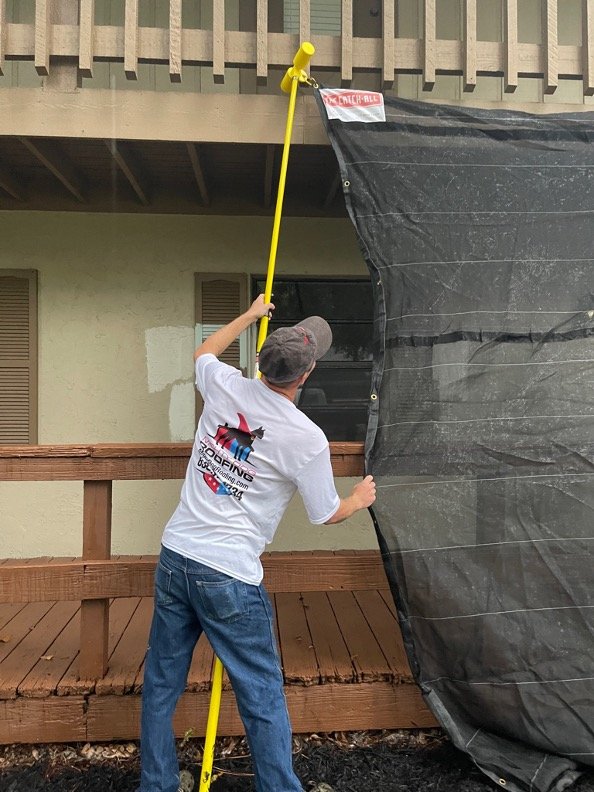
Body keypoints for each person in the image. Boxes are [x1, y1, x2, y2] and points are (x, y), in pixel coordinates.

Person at [139, 294, 377, 792]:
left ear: (259, 364)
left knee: (161, 684)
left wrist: (249, 315)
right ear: (306, 375)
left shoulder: (225, 385)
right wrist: (357, 498)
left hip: (176, 555)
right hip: (228, 575)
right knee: (262, 693)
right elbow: (325, 513)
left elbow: (204, 351)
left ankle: (157, 785)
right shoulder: (307, 438)